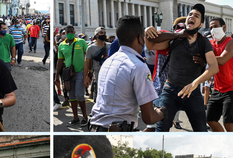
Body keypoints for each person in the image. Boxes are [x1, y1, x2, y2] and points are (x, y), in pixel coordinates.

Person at [145, 4, 219, 132]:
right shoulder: (175, 39)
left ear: (200, 24)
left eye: (196, 16)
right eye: (190, 15)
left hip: (192, 92)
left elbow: (214, 67)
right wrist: (147, 32)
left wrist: (194, 83)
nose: (191, 17)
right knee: (161, 129)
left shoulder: (203, 42)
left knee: (201, 131)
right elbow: (151, 45)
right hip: (170, 90)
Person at [89, 16, 166, 132]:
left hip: (95, 128)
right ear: (140, 39)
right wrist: (163, 112)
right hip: (117, 133)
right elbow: (149, 117)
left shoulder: (108, 62)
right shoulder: (138, 66)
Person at [55, 25, 89, 127]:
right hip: (68, 74)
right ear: (64, 33)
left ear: (74, 32)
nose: (69, 33)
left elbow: (88, 57)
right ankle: (75, 118)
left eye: (71, 31)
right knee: (72, 97)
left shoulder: (81, 42)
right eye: (67, 32)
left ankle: (85, 117)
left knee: (79, 95)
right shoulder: (61, 45)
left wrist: (89, 72)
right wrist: (57, 76)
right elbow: (60, 61)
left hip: (80, 72)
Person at [207, 17, 233, 132]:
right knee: (210, 119)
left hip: (231, 88)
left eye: (215, 26)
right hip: (217, 89)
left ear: (224, 27)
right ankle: (226, 142)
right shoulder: (210, 43)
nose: (213, 29)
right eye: (211, 27)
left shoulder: (231, 42)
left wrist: (204, 57)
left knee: (228, 123)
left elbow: (222, 60)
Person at [84, 27, 111, 101]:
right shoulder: (91, 48)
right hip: (98, 77)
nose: (103, 34)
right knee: (98, 100)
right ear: (96, 35)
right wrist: (85, 78)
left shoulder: (110, 46)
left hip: (110, 77)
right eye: (101, 33)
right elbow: (87, 63)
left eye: (104, 33)